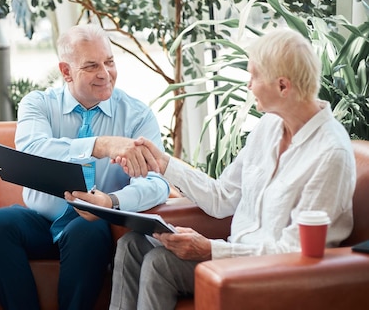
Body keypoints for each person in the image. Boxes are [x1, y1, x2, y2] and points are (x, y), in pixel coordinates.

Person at [108, 29, 356, 309]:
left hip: (272, 272)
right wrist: (163, 163)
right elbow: (222, 196)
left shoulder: (330, 153)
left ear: (283, 86)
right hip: (235, 257)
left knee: (160, 263)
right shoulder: (268, 127)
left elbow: (295, 250)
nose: (249, 85)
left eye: (254, 76)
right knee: (131, 246)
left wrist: (212, 249)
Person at [0, 23, 172, 310]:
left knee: (87, 230)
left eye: (110, 62)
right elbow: (31, 148)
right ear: (66, 71)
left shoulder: (137, 115)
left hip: (93, 225)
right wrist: (100, 145)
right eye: (91, 66)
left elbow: (158, 183)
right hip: (41, 221)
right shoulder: (38, 104)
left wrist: (111, 201)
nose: (105, 73)